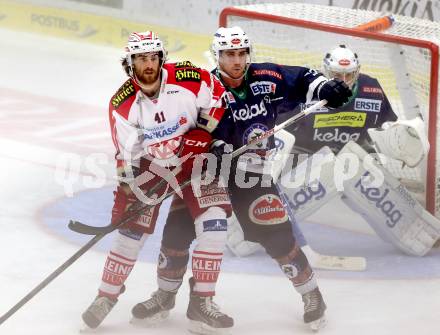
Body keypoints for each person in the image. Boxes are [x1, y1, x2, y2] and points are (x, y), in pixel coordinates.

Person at [131, 27, 352, 333]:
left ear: (248, 54)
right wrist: (210, 146)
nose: (236, 61)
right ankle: (165, 296)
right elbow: (187, 130)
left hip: (252, 172)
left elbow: (303, 78)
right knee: (177, 231)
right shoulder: (202, 86)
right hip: (208, 169)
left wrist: (326, 88)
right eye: (228, 54)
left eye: (240, 53)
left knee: (278, 235)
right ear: (217, 55)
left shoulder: (267, 77)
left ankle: (312, 296)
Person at [81, 30, 235, 331]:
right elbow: (126, 156)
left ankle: (202, 302)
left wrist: (203, 133)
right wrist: (125, 196)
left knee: (215, 224)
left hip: (195, 158)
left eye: (153, 57)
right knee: (130, 233)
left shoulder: (189, 77)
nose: (148, 64)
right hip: (153, 166)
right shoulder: (122, 104)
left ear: (161, 58)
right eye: (141, 58)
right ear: (130, 63)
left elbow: (217, 95)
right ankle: (107, 296)